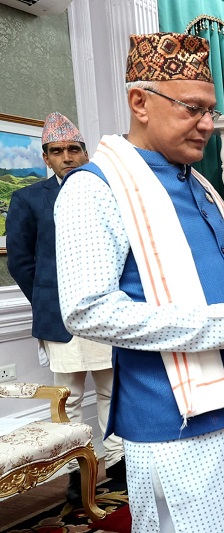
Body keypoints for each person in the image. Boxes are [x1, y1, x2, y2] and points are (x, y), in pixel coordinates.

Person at [53, 32, 224, 532]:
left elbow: (215, 288)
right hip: (173, 415)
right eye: (192, 108)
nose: (207, 124)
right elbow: (85, 309)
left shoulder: (202, 185)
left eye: (210, 109)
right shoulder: (93, 190)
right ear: (140, 102)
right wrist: (213, 326)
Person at [6, 112, 126, 505]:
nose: (67, 156)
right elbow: (21, 260)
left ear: (85, 152)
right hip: (59, 318)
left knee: (113, 389)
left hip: (107, 311)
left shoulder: (105, 191)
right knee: (69, 397)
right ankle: (78, 472)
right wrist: (47, 297)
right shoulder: (28, 198)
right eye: (57, 151)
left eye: (74, 148)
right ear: (46, 158)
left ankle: (122, 464)